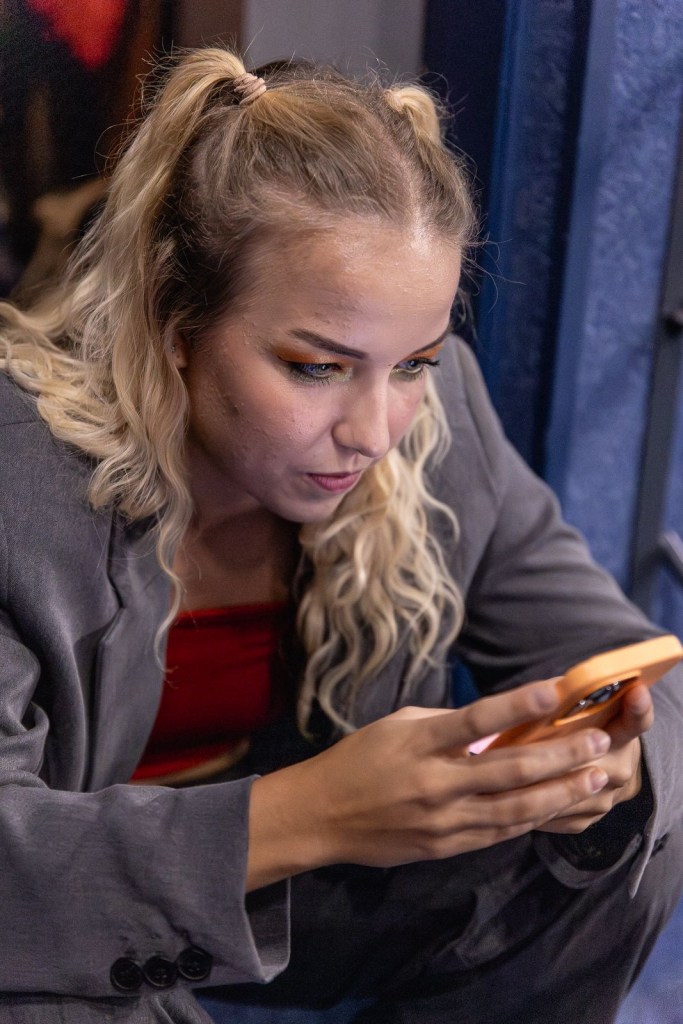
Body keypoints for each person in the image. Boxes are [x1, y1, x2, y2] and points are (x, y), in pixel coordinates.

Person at [0, 46, 681, 1024]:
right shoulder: (17, 473)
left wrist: (608, 757)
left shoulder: (437, 419)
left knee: (618, 832)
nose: (373, 431)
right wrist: (310, 812)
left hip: (297, 884)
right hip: (74, 896)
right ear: (173, 321)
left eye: (412, 362)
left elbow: (626, 658)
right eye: (315, 367)